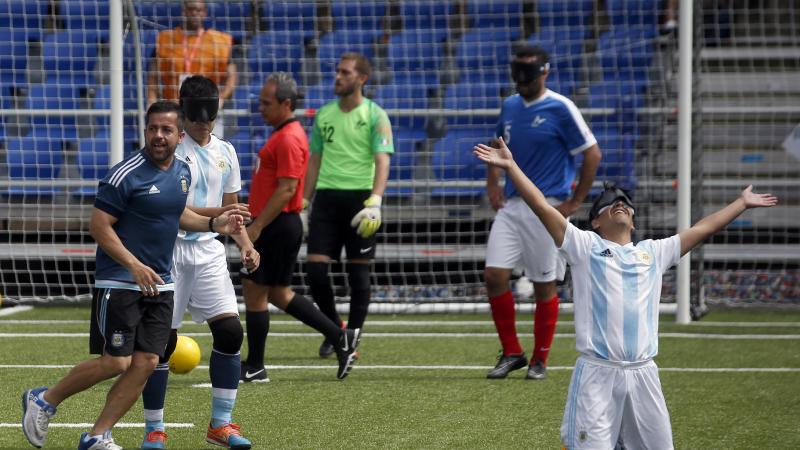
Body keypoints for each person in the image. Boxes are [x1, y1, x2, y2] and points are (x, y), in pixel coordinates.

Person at [474, 137, 778, 449]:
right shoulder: (585, 246)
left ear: (632, 221)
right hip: (598, 374)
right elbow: (540, 205)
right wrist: (511, 167)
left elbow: (703, 229)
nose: (619, 204)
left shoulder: (654, 252)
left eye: (625, 203)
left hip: (645, 375)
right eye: (608, 204)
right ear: (596, 221)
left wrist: (741, 203)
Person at [21, 101, 244, 450]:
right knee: (117, 361)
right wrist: (133, 265)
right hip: (120, 283)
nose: (158, 136)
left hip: (161, 285)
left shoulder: (183, 173)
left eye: (166, 130)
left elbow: (179, 215)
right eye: (152, 128)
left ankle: (97, 435)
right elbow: (99, 226)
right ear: (145, 131)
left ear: (179, 135)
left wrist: (217, 223)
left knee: (147, 362)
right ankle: (44, 399)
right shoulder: (125, 174)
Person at [139, 76, 258, 450]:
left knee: (230, 333)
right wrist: (221, 217)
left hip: (208, 252)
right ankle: (154, 429)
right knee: (163, 343)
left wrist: (247, 245)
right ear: (184, 111)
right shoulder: (172, 152)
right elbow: (177, 211)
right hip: (169, 251)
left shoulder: (227, 151)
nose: (203, 122)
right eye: (196, 115)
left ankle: (220, 425)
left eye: (209, 115)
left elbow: (232, 210)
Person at [484, 45, 602, 380]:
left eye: (527, 72)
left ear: (544, 72)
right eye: (516, 71)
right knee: (494, 275)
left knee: (543, 284)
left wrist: (575, 201)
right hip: (511, 206)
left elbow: (592, 154)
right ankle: (511, 352)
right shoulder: (509, 105)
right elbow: (497, 145)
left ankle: (540, 360)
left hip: (547, 206)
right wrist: (493, 181)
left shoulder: (561, 107)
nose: (520, 79)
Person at [240, 71, 361, 383]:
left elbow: (286, 189)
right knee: (278, 293)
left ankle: (255, 365)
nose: (261, 108)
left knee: (255, 290)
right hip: (278, 223)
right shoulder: (284, 134)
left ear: (287, 103)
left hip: (277, 225)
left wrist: (256, 228)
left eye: (266, 103)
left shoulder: (290, 137)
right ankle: (339, 336)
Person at [303, 52, 394, 359]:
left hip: (361, 200)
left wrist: (376, 202)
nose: (337, 77)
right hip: (327, 200)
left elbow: (383, 160)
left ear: (361, 79)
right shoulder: (324, 115)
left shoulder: (375, 115)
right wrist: (304, 200)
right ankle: (335, 330)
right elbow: (314, 159)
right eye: (337, 72)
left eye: (344, 72)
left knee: (359, 277)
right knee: (315, 272)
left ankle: (351, 337)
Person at [147, 0, 237, 137]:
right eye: (191, 9)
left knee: (209, 153)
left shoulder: (219, 42)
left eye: (199, 10)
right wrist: (151, 100)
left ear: (205, 13)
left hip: (207, 111)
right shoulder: (166, 39)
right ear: (184, 12)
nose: (194, 13)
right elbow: (153, 75)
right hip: (174, 110)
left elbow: (232, 75)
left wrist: (222, 98)